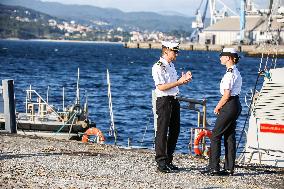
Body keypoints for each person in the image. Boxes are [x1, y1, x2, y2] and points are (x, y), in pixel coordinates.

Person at [152, 41, 192, 173]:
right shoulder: (158, 66)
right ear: (166, 51)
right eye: (175, 51)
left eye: (177, 51)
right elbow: (161, 87)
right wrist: (178, 82)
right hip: (164, 100)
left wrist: (182, 81)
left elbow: (173, 84)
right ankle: (161, 161)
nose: (176, 54)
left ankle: (169, 159)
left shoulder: (171, 66)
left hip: (174, 99)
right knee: (162, 131)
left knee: (175, 130)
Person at [203, 48, 242, 176]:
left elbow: (226, 95)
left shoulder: (230, 74)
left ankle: (214, 167)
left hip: (229, 104)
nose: (220, 58)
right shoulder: (235, 71)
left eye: (222, 56)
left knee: (215, 135)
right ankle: (229, 168)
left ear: (229, 58)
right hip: (235, 104)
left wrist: (217, 107)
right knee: (229, 136)